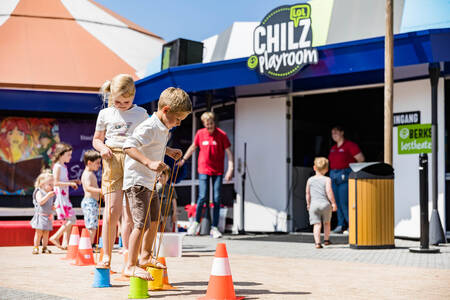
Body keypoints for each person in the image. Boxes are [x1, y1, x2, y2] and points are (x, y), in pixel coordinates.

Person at [122, 87, 191, 280]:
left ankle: (145, 257)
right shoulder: (149, 126)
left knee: (154, 220)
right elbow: (129, 146)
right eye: (178, 119)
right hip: (137, 181)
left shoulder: (162, 128)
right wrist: (149, 162)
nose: (178, 124)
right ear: (166, 110)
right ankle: (130, 265)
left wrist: (168, 151)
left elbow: (153, 145)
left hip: (149, 182)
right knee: (141, 223)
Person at [93, 74, 149, 268]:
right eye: (117, 101)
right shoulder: (105, 114)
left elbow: (149, 138)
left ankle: (132, 256)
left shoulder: (142, 113)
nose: (122, 104)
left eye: (127, 101)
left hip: (134, 160)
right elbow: (96, 139)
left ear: (134, 96)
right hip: (112, 158)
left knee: (134, 213)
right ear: (111, 96)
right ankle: (106, 255)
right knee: (111, 210)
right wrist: (102, 148)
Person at [181, 112, 233, 238]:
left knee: (216, 198)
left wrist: (230, 169)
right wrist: (183, 159)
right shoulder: (200, 133)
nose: (209, 126)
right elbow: (193, 147)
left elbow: (229, 153)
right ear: (204, 124)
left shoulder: (221, 135)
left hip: (218, 171)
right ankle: (196, 223)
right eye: (207, 124)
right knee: (203, 197)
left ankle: (214, 228)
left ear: (214, 123)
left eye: (211, 124)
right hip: (203, 169)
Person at [328, 125, 364, 233]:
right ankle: (340, 224)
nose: (334, 135)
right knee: (336, 202)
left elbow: (361, 159)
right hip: (333, 175)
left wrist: (353, 172)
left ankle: (351, 225)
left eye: (336, 132)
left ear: (342, 132)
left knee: (345, 202)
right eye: (332, 133)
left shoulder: (350, 145)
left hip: (345, 174)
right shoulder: (333, 148)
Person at [49, 143, 79, 249]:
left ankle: (65, 243)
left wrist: (72, 181)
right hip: (61, 198)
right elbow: (56, 182)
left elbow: (62, 181)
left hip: (64, 197)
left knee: (68, 220)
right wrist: (70, 183)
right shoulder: (57, 166)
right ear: (61, 155)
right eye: (68, 155)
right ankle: (56, 237)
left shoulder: (63, 166)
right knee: (72, 220)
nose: (70, 157)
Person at [306, 157, 337, 249]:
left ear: (314, 168)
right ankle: (326, 240)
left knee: (317, 224)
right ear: (327, 169)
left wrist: (308, 204)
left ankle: (317, 243)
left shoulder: (310, 180)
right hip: (325, 205)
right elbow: (329, 191)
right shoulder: (327, 179)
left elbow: (307, 193)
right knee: (327, 223)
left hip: (314, 205)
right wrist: (333, 203)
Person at [30, 170, 55, 254]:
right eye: (50, 184)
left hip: (48, 216)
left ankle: (44, 247)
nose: (52, 187)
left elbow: (51, 204)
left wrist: (54, 207)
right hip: (40, 216)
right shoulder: (39, 192)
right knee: (39, 232)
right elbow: (40, 202)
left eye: (53, 185)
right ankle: (36, 247)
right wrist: (48, 196)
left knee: (46, 233)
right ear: (42, 184)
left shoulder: (50, 194)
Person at [81, 150, 102, 246]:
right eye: (97, 163)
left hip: (92, 202)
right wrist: (101, 191)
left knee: (93, 225)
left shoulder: (91, 173)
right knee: (91, 226)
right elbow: (88, 188)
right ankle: (89, 245)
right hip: (89, 202)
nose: (99, 165)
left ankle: (91, 244)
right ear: (89, 163)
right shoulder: (87, 174)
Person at [156, 168, 178, 232]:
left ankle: (167, 242)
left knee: (168, 230)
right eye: (160, 176)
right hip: (157, 215)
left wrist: (174, 213)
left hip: (168, 215)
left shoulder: (170, 188)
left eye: (164, 176)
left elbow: (174, 201)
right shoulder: (155, 188)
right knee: (157, 231)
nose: (161, 178)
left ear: (168, 177)